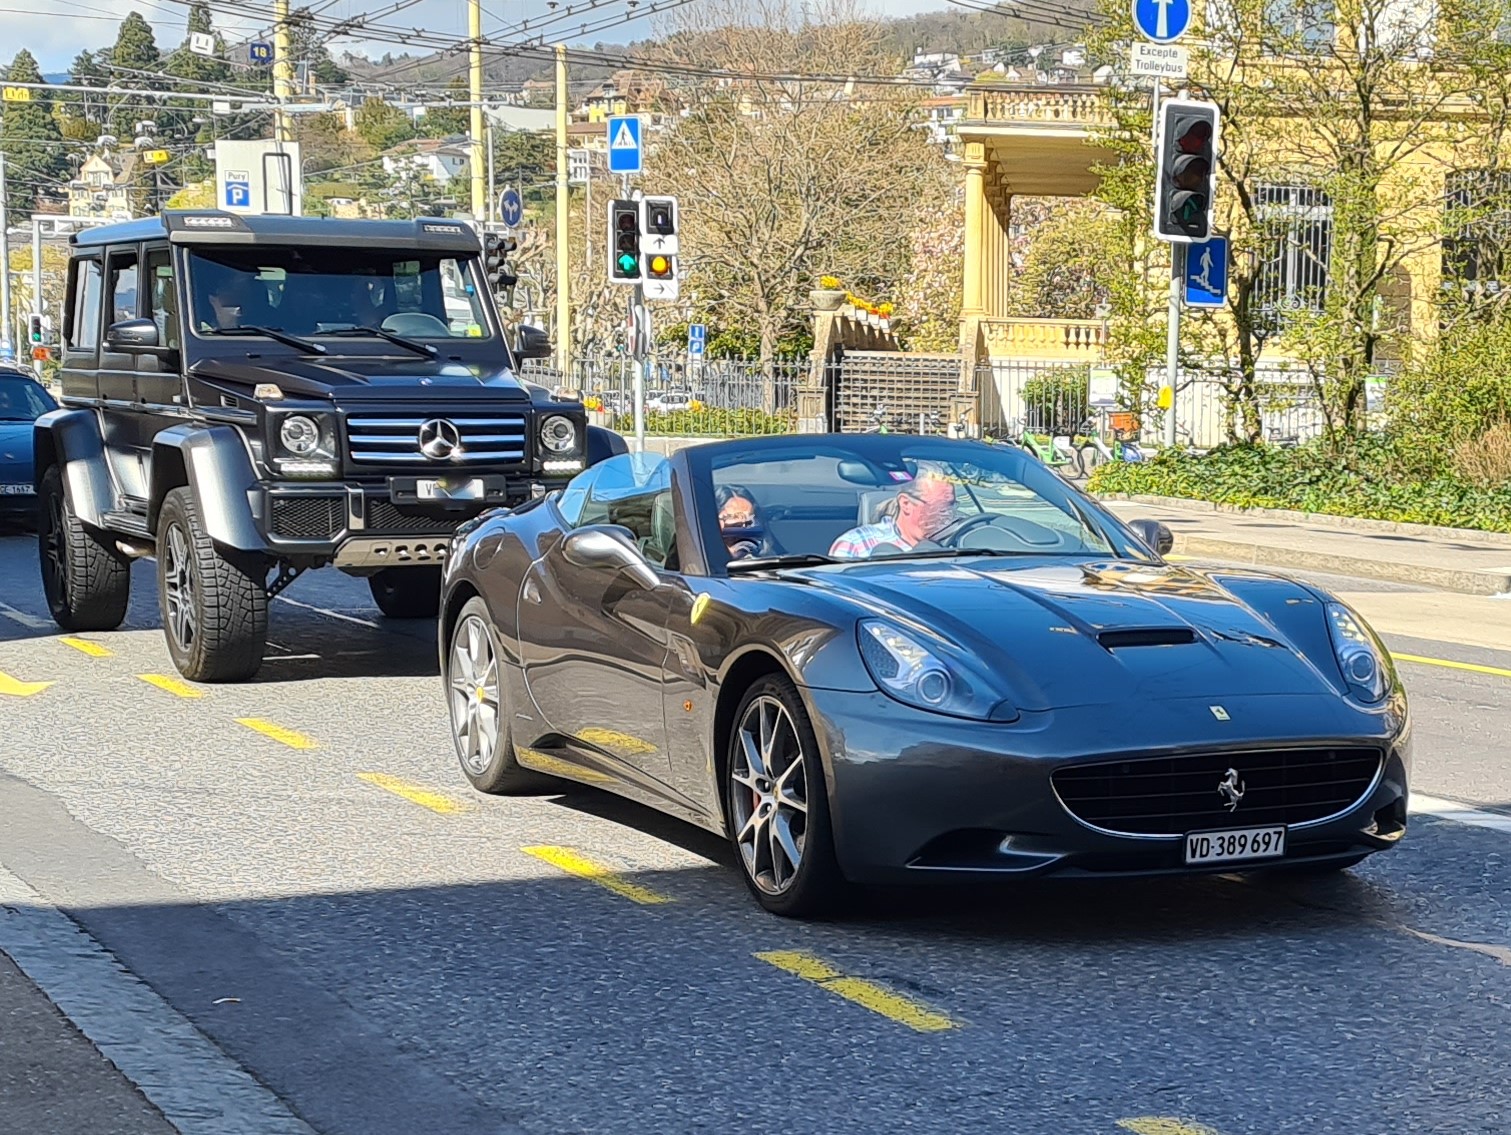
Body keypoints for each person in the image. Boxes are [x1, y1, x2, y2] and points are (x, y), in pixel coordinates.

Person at [829, 462, 957, 560]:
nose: (947, 513)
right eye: (939, 507)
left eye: (951, 505)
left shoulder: (960, 543)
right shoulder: (856, 544)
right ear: (906, 504)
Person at [715, 484, 765, 560]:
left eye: (749, 516)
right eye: (734, 516)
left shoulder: (767, 555)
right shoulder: (703, 556)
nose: (743, 523)